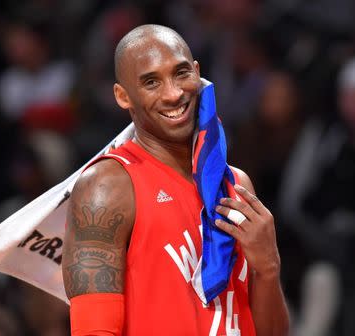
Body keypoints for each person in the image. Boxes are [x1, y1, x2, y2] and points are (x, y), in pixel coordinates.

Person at [61, 24, 289, 336]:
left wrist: (268, 268)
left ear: (197, 72)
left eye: (181, 73)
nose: (173, 93)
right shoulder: (108, 186)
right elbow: (92, 330)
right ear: (122, 96)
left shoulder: (236, 185)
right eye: (151, 82)